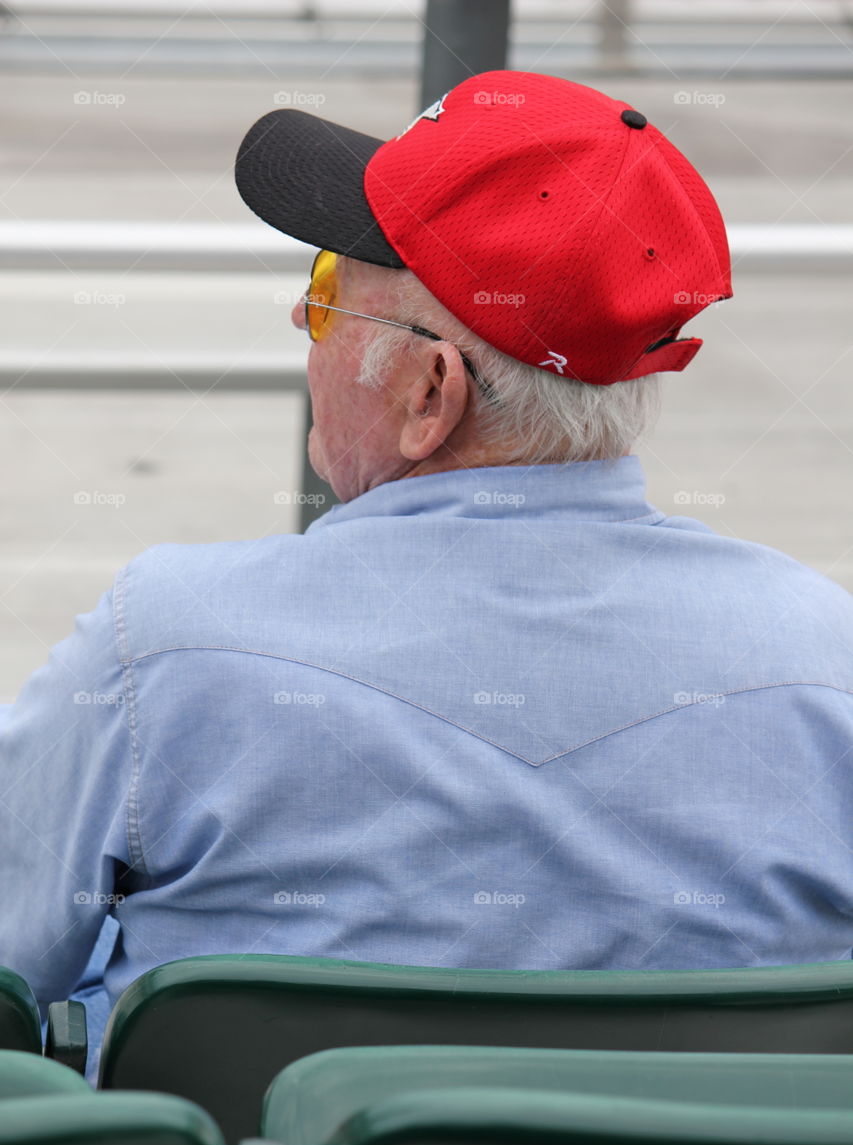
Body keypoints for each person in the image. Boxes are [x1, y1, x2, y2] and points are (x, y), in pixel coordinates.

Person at [1, 72, 851, 1074]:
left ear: (428, 392)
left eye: (325, 295)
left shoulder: (167, 647)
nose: (299, 324)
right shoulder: (825, 660)